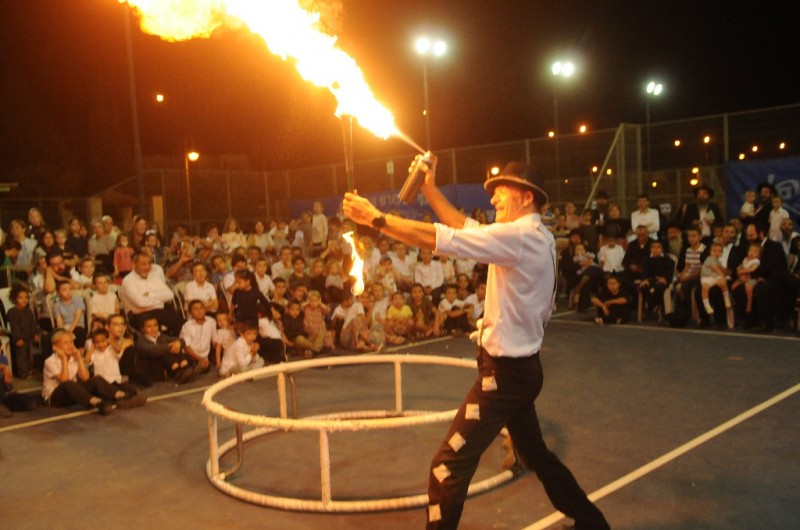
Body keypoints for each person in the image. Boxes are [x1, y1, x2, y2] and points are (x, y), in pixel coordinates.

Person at [342, 156, 609, 530]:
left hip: (504, 377)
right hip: (521, 370)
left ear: (527, 198)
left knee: (446, 465)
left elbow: (441, 238)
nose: (494, 199)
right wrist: (430, 189)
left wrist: (376, 219)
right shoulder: (535, 235)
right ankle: (592, 524)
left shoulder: (517, 237)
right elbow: (462, 226)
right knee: (537, 456)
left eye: (502, 192)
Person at [42, 329, 120, 416]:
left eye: (71, 342)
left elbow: (85, 378)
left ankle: (119, 395)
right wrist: (64, 358)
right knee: (69, 383)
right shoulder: (49, 361)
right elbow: (65, 381)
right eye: (65, 343)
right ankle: (97, 403)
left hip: (72, 394)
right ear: (55, 347)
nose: (70, 345)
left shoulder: (73, 358)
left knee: (96, 379)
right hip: (54, 398)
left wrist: (79, 358)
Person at [7, 284, 40, 378]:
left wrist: (36, 333)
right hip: (20, 338)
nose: (24, 300)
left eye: (26, 297)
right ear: (14, 299)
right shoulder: (13, 312)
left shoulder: (28, 312)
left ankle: (29, 369)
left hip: (29, 336)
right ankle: (22, 373)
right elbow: (14, 327)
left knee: (29, 354)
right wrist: (18, 338)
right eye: (20, 298)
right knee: (21, 355)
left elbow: (33, 324)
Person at [700, 243, 732, 315]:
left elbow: (722, 269)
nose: (717, 253)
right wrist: (723, 275)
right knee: (705, 289)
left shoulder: (718, 261)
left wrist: (727, 272)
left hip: (715, 277)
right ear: (710, 251)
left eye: (719, 251)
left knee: (722, 283)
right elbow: (715, 269)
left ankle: (726, 298)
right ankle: (707, 305)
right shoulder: (709, 259)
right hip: (706, 277)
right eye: (715, 251)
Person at [731, 243, 762, 315]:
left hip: (751, 278)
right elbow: (741, 265)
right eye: (750, 251)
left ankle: (749, 304)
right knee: (733, 286)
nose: (751, 253)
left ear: (759, 255)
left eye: (755, 252)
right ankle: (734, 300)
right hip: (743, 277)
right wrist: (739, 268)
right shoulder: (745, 259)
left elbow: (752, 269)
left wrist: (742, 271)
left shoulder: (756, 261)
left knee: (748, 287)